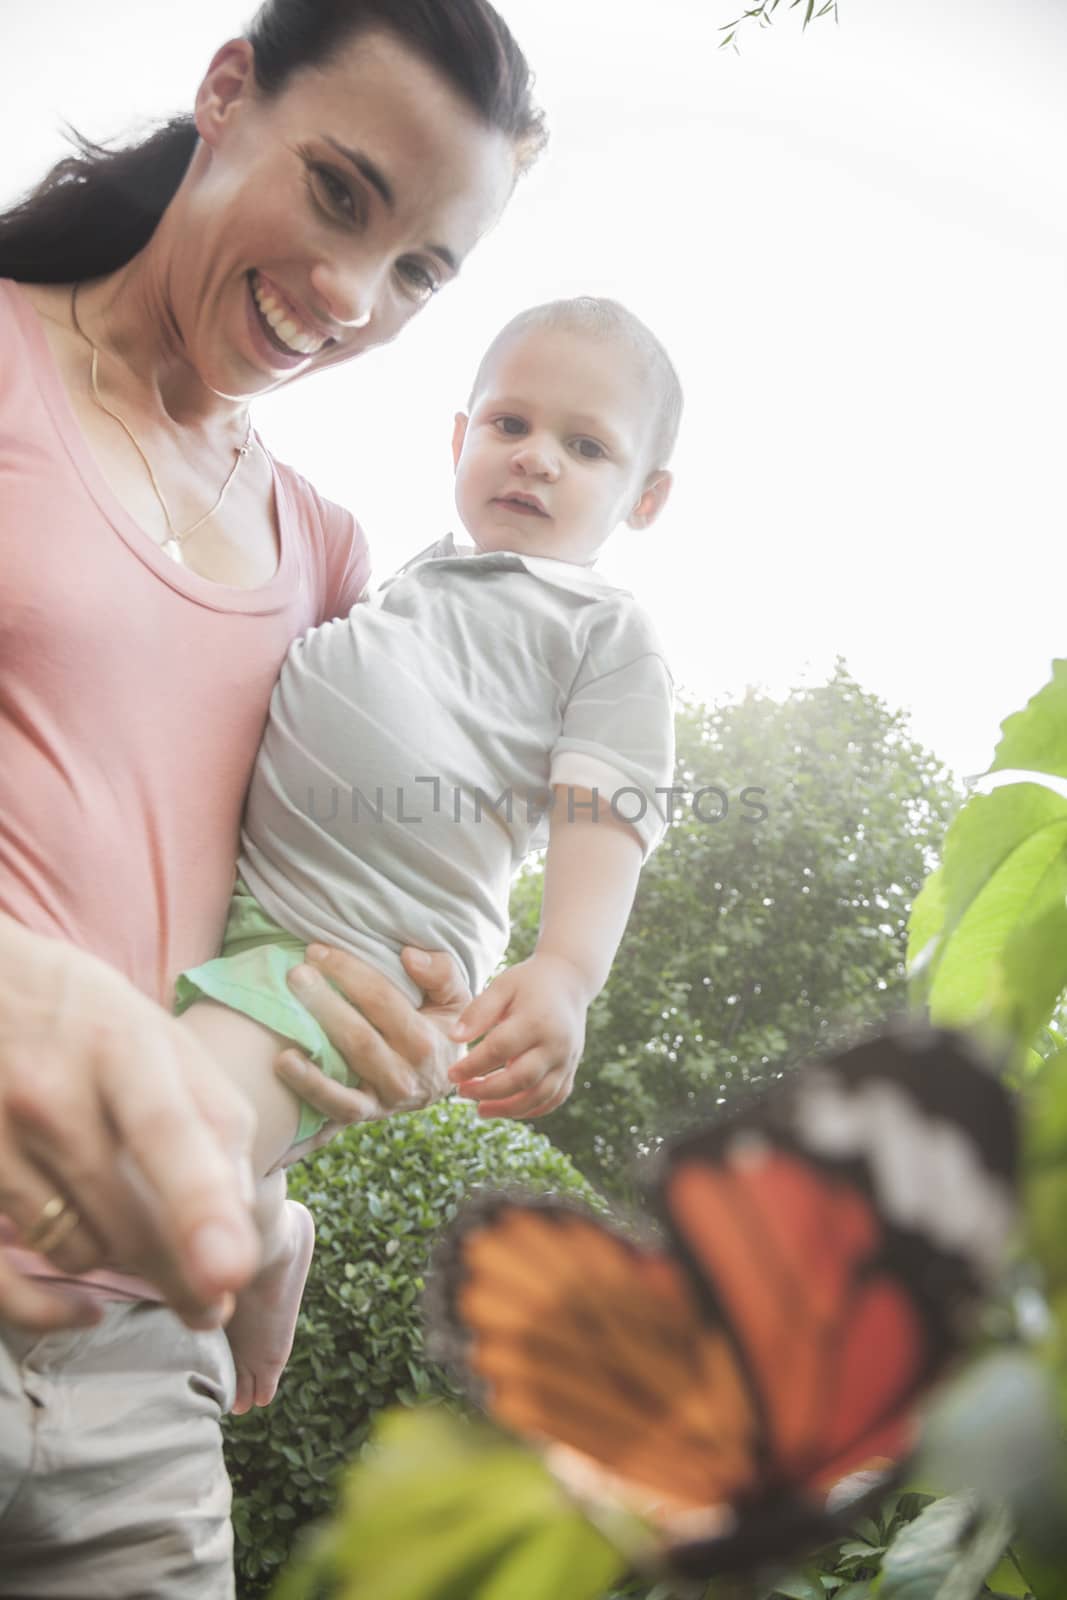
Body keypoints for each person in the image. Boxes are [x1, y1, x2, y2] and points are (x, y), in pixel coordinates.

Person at [0, 1, 545, 1592]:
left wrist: (299, 1125)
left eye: (418, 273)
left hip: (140, 1367)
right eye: (339, 196)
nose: (348, 298)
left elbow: (290, 930)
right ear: (226, 94)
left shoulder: (325, 555)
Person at [173, 295, 682, 1410]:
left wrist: (563, 973)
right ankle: (266, 1231)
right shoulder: (415, 577)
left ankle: (241, 1248)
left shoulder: (600, 630)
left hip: (351, 962)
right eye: (508, 424)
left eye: (584, 446)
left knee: (163, 1133)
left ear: (642, 497)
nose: (535, 457)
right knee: (198, 1115)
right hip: (240, 906)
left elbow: (608, 809)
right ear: (458, 440)